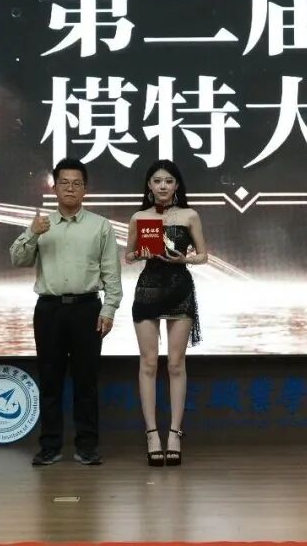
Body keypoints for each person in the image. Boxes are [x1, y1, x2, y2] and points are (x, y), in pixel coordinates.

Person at [9, 158, 122, 467]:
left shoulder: (100, 226)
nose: (70, 188)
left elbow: (111, 274)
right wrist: (32, 233)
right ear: (54, 188)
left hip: (88, 308)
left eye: (76, 183)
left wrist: (110, 308)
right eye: (64, 183)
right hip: (49, 310)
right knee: (50, 380)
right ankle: (50, 446)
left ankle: (87, 446)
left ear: (85, 189)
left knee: (86, 381)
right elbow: (18, 260)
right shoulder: (42, 224)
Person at [125, 159, 208, 467]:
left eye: (168, 181)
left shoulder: (189, 215)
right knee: (148, 362)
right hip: (148, 289)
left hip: (179, 288)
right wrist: (140, 253)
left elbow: (203, 256)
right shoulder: (139, 217)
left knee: (175, 363)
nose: (162, 186)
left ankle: (174, 433)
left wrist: (183, 259)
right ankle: (151, 434)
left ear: (176, 185)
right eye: (157, 181)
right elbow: (129, 255)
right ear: (149, 185)